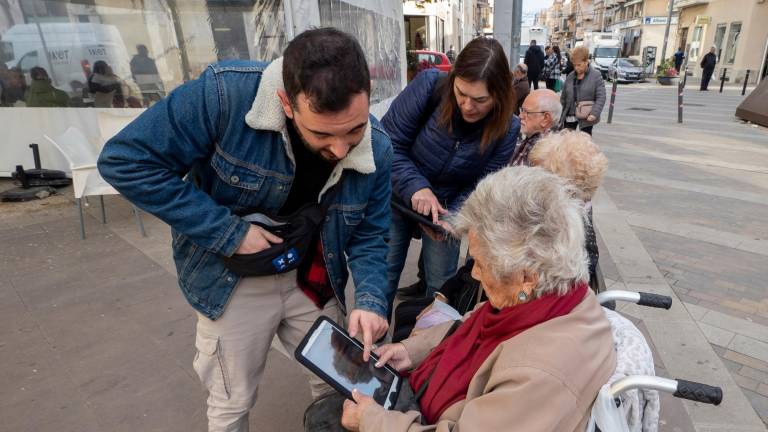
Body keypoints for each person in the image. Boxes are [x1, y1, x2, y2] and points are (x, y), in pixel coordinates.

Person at [97, 28, 392, 432]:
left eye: (354, 130)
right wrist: (228, 232)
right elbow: (125, 160)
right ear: (286, 102)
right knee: (231, 401)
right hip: (233, 279)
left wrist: (372, 302)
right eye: (322, 133)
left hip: (312, 277)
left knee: (346, 385)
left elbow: (373, 234)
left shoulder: (379, 145)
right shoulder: (223, 96)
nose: (342, 149)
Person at [339, 166, 616, 431]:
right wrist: (411, 351)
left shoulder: (539, 371)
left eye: (481, 264)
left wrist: (372, 422)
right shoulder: (554, 295)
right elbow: (472, 324)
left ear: (527, 278)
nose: (474, 272)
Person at [382, 37, 519, 305]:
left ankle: (426, 344)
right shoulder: (430, 85)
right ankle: (371, 341)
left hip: (446, 210)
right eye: (461, 94)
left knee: (440, 286)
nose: (467, 106)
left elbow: (485, 185)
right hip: (397, 196)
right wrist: (416, 187)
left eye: (480, 100)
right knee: (384, 275)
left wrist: (454, 218)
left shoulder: (507, 128)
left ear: (499, 95)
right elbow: (387, 144)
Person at [529, 130, 608, 293]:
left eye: (538, 173)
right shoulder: (579, 208)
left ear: (563, 183)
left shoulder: (562, 226)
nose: (530, 178)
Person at [560, 46, 605, 136]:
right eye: (574, 65)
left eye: (579, 65)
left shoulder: (596, 75)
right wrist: (559, 113)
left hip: (586, 115)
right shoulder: (570, 76)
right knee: (566, 140)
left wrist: (594, 113)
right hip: (570, 114)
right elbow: (563, 97)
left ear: (586, 61)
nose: (576, 68)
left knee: (585, 141)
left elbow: (601, 96)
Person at [510, 89, 561, 166]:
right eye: (522, 110)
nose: (520, 116)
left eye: (526, 112)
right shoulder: (533, 139)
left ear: (545, 119)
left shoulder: (545, 154)